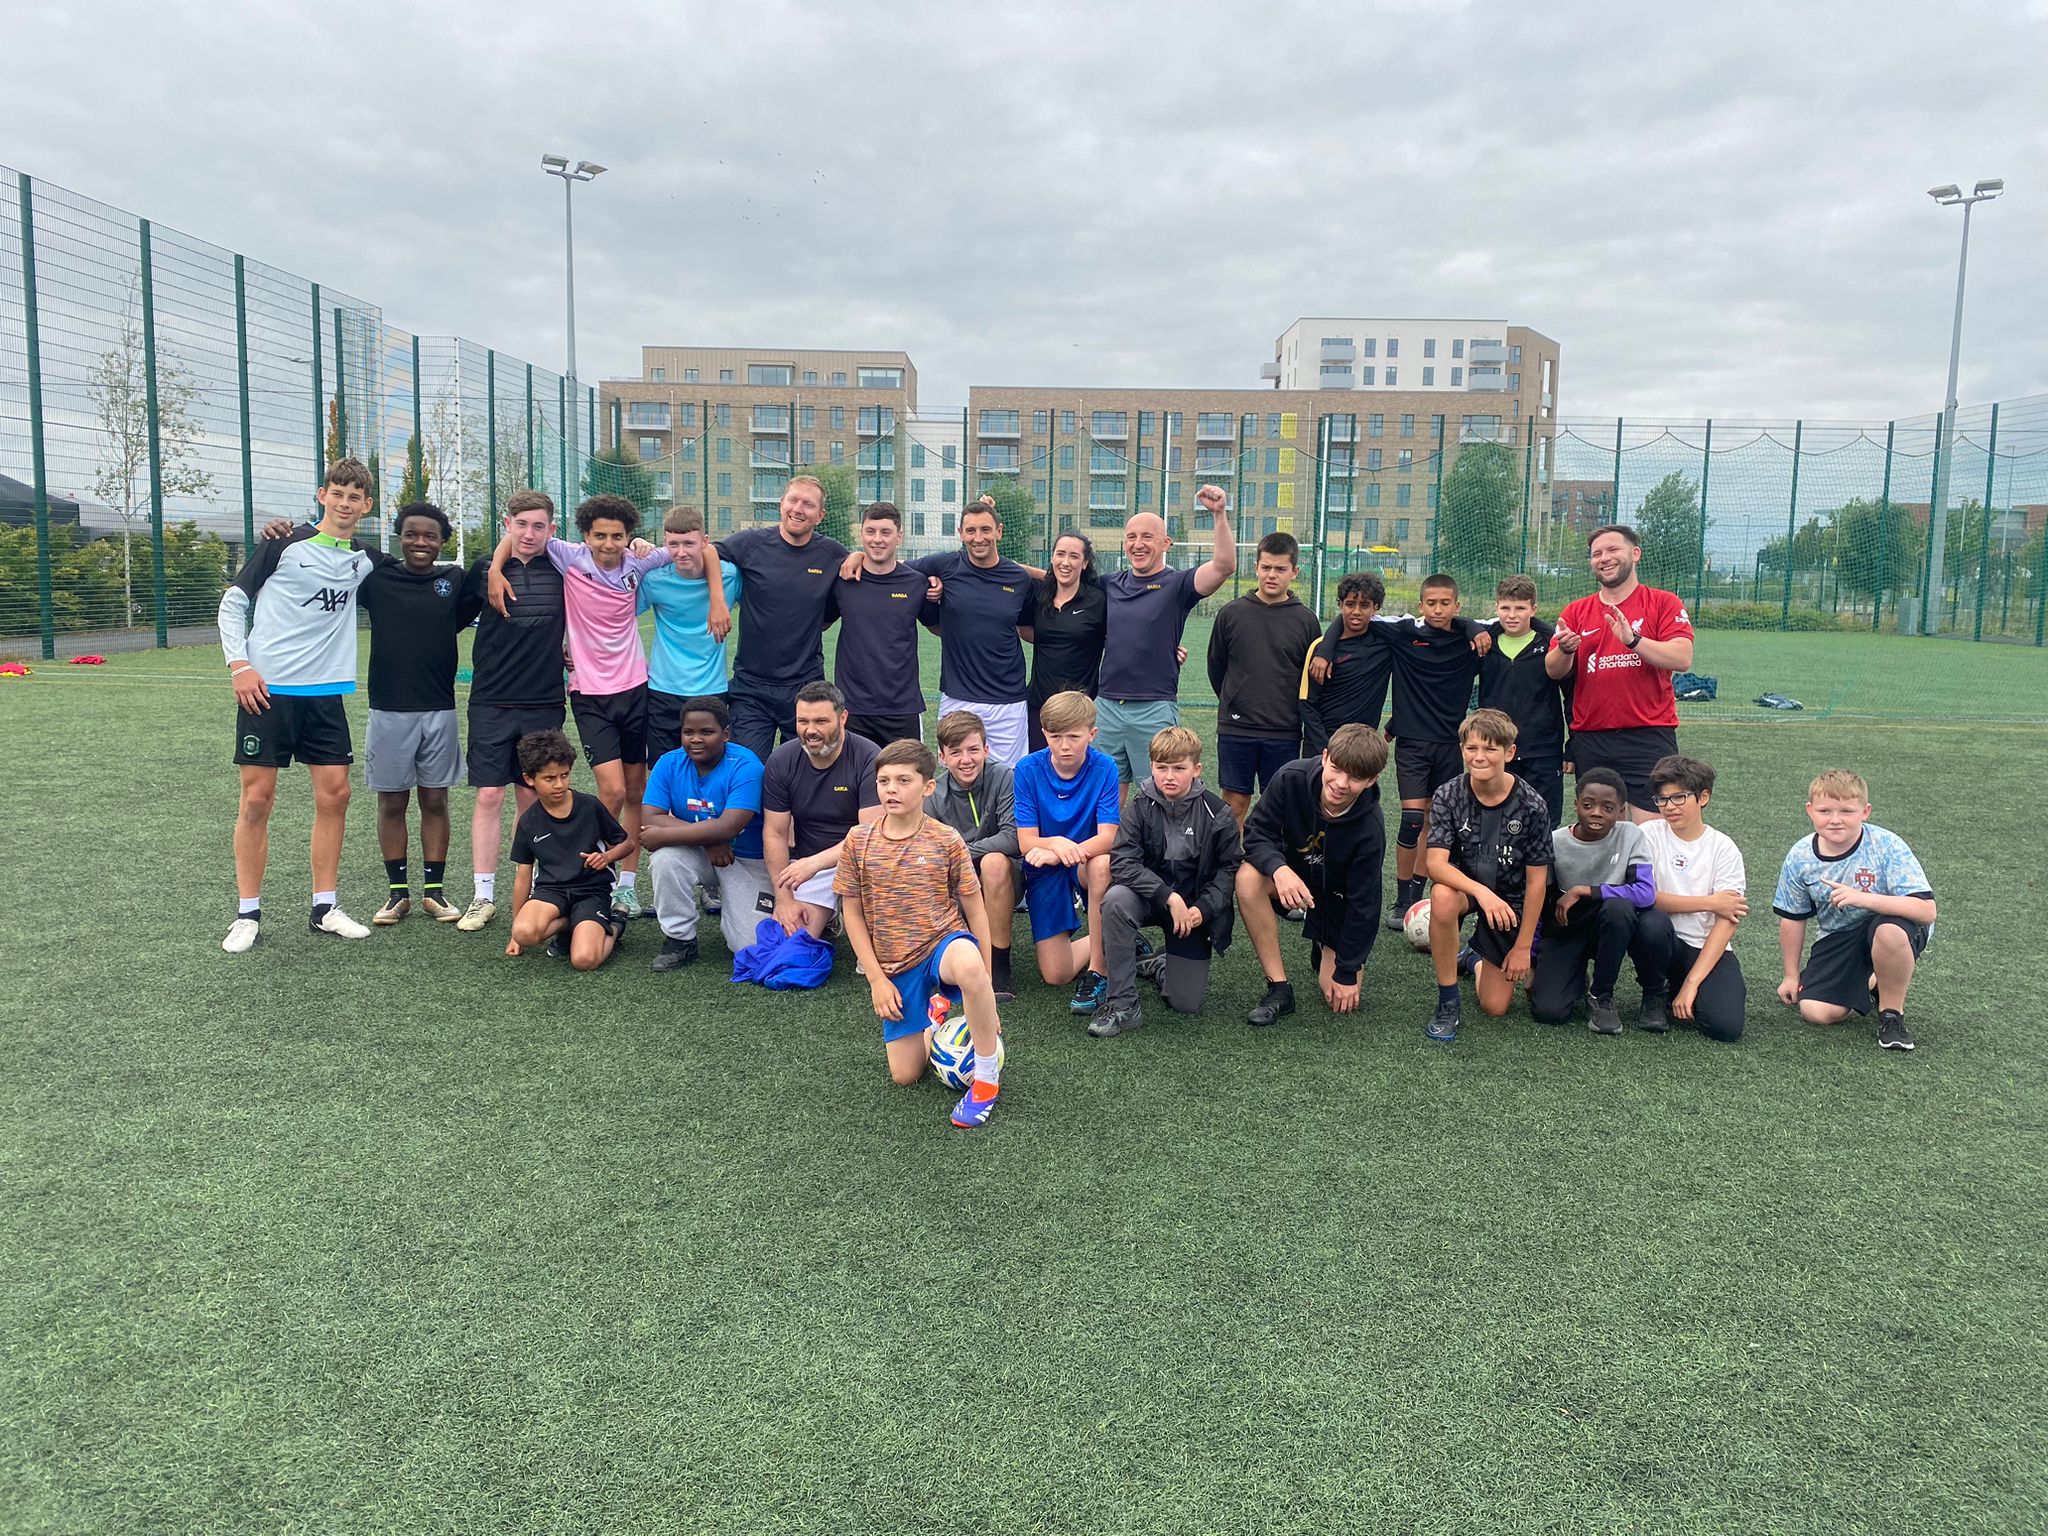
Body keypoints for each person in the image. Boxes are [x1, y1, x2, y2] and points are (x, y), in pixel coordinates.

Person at [218, 456, 390, 952]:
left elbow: (422, 577)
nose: (344, 502)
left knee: (335, 796)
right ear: (322, 495)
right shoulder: (282, 542)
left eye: (355, 497)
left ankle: (324, 906)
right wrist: (239, 665)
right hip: (265, 691)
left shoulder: (366, 559)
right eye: (337, 493)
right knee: (256, 800)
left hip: (325, 695)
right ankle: (247, 913)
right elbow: (234, 602)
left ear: (366, 506)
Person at [487, 493, 671, 920]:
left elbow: (698, 547)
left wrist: (645, 546)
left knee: (637, 792)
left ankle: (625, 884)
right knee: (612, 790)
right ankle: (584, 871)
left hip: (635, 688)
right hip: (589, 692)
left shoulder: (637, 562)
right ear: (584, 536)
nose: (609, 544)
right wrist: (496, 568)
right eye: (600, 535)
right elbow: (511, 537)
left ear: (628, 537)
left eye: (618, 537)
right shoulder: (568, 555)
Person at [837, 739, 1006, 1129]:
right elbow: (853, 914)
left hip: (943, 943)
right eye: (884, 781)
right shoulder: (858, 841)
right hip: (895, 963)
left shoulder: (946, 839)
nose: (891, 789)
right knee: (905, 1075)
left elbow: (975, 909)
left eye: (903, 780)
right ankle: (935, 1019)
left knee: (968, 966)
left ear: (928, 787)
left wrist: (986, 984)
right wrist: (877, 980)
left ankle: (985, 1081)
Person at [357, 502, 481, 924]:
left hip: (439, 709)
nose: (420, 542)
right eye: (412, 534)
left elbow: (483, 585)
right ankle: (396, 894)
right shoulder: (377, 578)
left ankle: (434, 893)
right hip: (389, 709)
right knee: (392, 802)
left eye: (430, 536)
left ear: (442, 541)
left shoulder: (454, 580)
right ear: (399, 537)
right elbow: (336, 545)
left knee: (434, 799)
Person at [843, 494, 1034, 763]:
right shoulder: (945, 565)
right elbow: (888, 566)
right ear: (960, 534)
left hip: (1008, 701)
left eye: (985, 530)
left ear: (999, 532)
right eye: (970, 530)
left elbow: (1026, 627)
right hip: (958, 695)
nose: (978, 537)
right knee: (958, 775)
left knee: (1007, 779)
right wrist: (857, 555)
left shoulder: (1019, 579)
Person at [457, 489, 565, 932]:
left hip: (542, 702)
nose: (529, 533)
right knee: (488, 795)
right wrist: (497, 566)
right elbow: (451, 617)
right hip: (490, 700)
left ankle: (534, 886)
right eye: (521, 524)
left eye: (539, 526)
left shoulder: (563, 566)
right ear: (507, 525)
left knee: (531, 796)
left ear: (552, 530)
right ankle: (483, 895)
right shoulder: (484, 568)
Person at [1091, 726, 1242, 1038]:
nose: (1169, 776)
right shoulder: (1138, 807)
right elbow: (1123, 861)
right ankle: (1122, 1004)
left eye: (1179, 768)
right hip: (1149, 900)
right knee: (1116, 900)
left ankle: (1160, 965)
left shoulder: (1218, 813)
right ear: (1151, 767)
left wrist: (1203, 909)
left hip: (1191, 913)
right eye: (1161, 768)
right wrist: (1168, 897)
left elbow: (1228, 869)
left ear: (1197, 770)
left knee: (1186, 1003)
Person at [1235, 723, 1389, 1026]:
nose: (1341, 783)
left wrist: (1346, 971)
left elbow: (1364, 905)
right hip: (1289, 880)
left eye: (1355, 777)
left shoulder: (1370, 827)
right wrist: (1278, 869)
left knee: (1337, 996)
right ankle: (1279, 988)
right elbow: (1256, 832)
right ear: (1325, 756)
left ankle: (1323, 943)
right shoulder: (1291, 778)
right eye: (1337, 768)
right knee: (1247, 878)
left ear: (1372, 780)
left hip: (1336, 898)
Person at [1774, 768, 1936, 1052]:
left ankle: (1891, 1016)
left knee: (1888, 931)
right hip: (1840, 934)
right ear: (1809, 811)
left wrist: (1863, 899)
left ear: (1865, 811)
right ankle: (1874, 981)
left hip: (1893, 927)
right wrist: (1790, 975)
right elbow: (1792, 918)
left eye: (1847, 811)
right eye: (1825, 811)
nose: (1835, 820)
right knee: (1816, 1012)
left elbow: (1925, 911)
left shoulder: (1887, 845)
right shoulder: (1800, 855)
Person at [1546, 524, 1696, 819]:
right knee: (1601, 832)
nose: (1604, 558)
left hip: (1648, 735)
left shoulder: (1663, 602)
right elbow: (1553, 671)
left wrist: (1633, 640)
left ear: (1635, 553)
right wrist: (1565, 650)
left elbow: (1682, 657)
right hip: (1592, 739)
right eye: (1596, 554)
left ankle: (1642, 871)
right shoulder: (1576, 611)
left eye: (1613, 550)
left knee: (1650, 838)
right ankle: (1611, 870)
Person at [1422, 709, 1553, 1043]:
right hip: (1470, 891)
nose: (1479, 757)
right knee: (1441, 896)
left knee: (1495, 1007)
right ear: (1462, 750)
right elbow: (1436, 864)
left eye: (1490, 749)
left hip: (1510, 902)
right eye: (1471, 748)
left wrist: (1523, 947)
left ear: (1509, 753)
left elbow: (1537, 882)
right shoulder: (1448, 795)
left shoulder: (1532, 805)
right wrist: (1482, 893)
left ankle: (1475, 959)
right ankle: (1448, 1000)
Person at [1094, 485, 1237, 785]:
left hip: (1154, 707)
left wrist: (1219, 514)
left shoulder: (1177, 585)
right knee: (1104, 798)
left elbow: (1224, 566)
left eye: (1147, 537)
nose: (1138, 544)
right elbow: (1061, 582)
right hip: (1106, 706)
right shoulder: (1110, 584)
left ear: (1166, 543)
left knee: (1160, 797)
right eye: (1132, 537)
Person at [705, 476, 849, 762]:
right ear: (781, 504)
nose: (798, 509)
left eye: (808, 504)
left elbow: (865, 570)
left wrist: (856, 557)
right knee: (746, 771)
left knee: (809, 768)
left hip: (805, 685)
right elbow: (708, 550)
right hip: (751, 687)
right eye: (793, 500)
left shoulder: (832, 554)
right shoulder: (752, 543)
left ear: (820, 516)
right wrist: (718, 600)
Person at [1383, 574, 1491, 931]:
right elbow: (1355, 620)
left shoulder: (1468, 640)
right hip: (1412, 742)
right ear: (1420, 605)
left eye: (1446, 603)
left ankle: (1417, 891)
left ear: (1457, 606)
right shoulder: (1404, 635)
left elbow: (1522, 621)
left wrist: (1471, 627)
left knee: (1437, 820)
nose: (1438, 609)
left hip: (1450, 744)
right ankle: (1402, 898)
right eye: (1431, 603)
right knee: (1413, 818)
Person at [640, 696, 769, 970]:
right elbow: (649, 817)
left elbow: (729, 827)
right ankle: (680, 939)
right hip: (703, 853)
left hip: (747, 860)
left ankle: (734, 912)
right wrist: (708, 840)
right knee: (665, 859)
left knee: (751, 948)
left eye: (706, 732)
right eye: (689, 732)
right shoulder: (668, 763)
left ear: (725, 734)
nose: (695, 739)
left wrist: (669, 833)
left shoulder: (746, 765)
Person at [1013, 690, 1121, 1010]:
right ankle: (1117, 938)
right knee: (1056, 974)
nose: (1064, 746)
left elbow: (1108, 838)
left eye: (1073, 737)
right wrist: (1056, 845)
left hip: (1086, 862)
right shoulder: (1027, 768)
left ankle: (1098, 970)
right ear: (1044, 732)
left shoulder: (1105, 767)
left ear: (1092, 734)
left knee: (1102, 865)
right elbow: (1026, 842)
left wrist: (1059, 851)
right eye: (1055, 736)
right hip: (1045, 866)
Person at [1528, 769, 1658, 1034]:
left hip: (1610, 925)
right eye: (1588, 805)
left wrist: (1585, 890)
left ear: (1621, 812)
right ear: (1576, 805)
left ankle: (1602, 995)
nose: (1597, 812)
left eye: (1607, 807)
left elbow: (1645, 893)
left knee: (1620, 908)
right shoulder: (1554, 842)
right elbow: (1539, 903)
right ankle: (1573, 976)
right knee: (1549, 1012)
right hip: (1567, 928)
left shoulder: (1631, 835)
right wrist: (1532, 960)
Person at [1206, 532, 1322, 825]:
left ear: (1295, 572)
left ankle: (1272, 869)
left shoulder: (1306, 620)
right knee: (1234, 805)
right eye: (1266, 567)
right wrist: (1235, 701)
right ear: (1256, 567)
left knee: (1279, 807)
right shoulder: (1231, 613)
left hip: (1283, 730)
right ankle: (1229, 868)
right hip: (1237, 728)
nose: (1272, 575)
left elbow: (1309, 677)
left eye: (1280, 569)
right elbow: (1216, 667)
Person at [1635, 754, 1749, 1042]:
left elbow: (1727, 919)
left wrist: (1692, 983)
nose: (1669, 807)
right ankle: (1654, 993)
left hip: (1703, 944)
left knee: (1725, 1028)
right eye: (1662, 800)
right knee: (1651, 922)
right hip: (1664, 940)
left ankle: (1680, 988)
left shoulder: (1724, 848)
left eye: (1679, 797)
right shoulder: (1648, 834)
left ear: (1703, 797)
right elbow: (1645, 896)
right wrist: (1710, 902)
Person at [760, 680, 882, 939]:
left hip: (862, 862)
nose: (810, 730)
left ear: (843, 717)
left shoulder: (869, 757)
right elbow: (775, 834)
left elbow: (868, 836)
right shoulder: (781, 760)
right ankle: (829, 917)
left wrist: (814, 864)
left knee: (888, 948)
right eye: (803, 721)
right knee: (792, 941)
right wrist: (783, 898)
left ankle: (858, 916)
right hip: (808, 865)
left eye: (821, 721)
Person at [505, 729, 633, 970]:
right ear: (530, 779)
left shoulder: (589, 806)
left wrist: (606, 857)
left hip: (591, 891)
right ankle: (570, 924)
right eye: (550, 778)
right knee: (523, 932)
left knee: (584, 960)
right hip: (551, 891)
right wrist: (514, 932)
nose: (559, 784)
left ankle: (615, 925)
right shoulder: (528, 821)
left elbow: (627, 844)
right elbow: (523, 876)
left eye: (564, 775)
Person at [925, 710, 1020, 1001]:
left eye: (973, 750)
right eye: (956, 753)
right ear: (942, 757)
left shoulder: (1003, 776)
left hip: (1004, 877)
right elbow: (931, 852)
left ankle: (999, 965)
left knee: (993, 862)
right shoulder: (932, 794)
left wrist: (962, 851)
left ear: (986, 749)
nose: (966, 760)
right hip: (955, 882)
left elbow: (1014, 837)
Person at [638, 506, 743, 761]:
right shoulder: (654, 580)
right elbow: (621, 619)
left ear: (705, 542)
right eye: (673, 544)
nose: (681, 552)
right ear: (664, 543)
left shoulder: (731, 577)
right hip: (663, 689)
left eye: (689, 543)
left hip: (711, 689)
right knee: (664, 768)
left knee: (710, 767)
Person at [831, 501, 938, 747]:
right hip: (852, 708)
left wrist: (939, 591)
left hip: (902, 709)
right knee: (853, 783)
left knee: (908, 780)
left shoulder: (917, 583)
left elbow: (937, 626)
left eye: (885, 532)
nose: (877, 539)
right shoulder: (843, 581)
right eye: (870, 531)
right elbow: (823, 623)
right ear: (861, 534)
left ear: (899, 537)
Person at [1475, 574, 1571, 828]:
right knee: (1494, 820)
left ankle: (1543, 870)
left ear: (1533, 608)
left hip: (1542, 749)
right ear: (1496, 607)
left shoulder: (1551, 642)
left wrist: (1571, 744)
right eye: (1505, 608)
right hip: (1496, 748)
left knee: (1543, 822)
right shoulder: (1485, 641)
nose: (1512, 615)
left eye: (1520, 608)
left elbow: (1571, 696)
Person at [1025, 531, 1107, 754]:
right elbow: (1023, 628)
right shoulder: (1038, 594)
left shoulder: (1098, 600)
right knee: (1041, 770)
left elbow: (1121, 635)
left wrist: (1164, 646)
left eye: (1074, 556)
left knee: (1077, 775)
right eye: (1060, 554)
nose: (1066, 562)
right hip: (1039, 705)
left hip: (1080, 709)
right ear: (1052, 558)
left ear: (1085, 563)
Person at [1299, 571, 1395, 754]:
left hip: (1362, 746)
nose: (1356, 611)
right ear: (1340, 605)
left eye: (1364, 605)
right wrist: (1327, 749)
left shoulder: (1387, 643)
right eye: (1350, 604)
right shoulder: (1320, 649)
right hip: (1322, 746)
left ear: (1376, 607)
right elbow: (1307, 704)